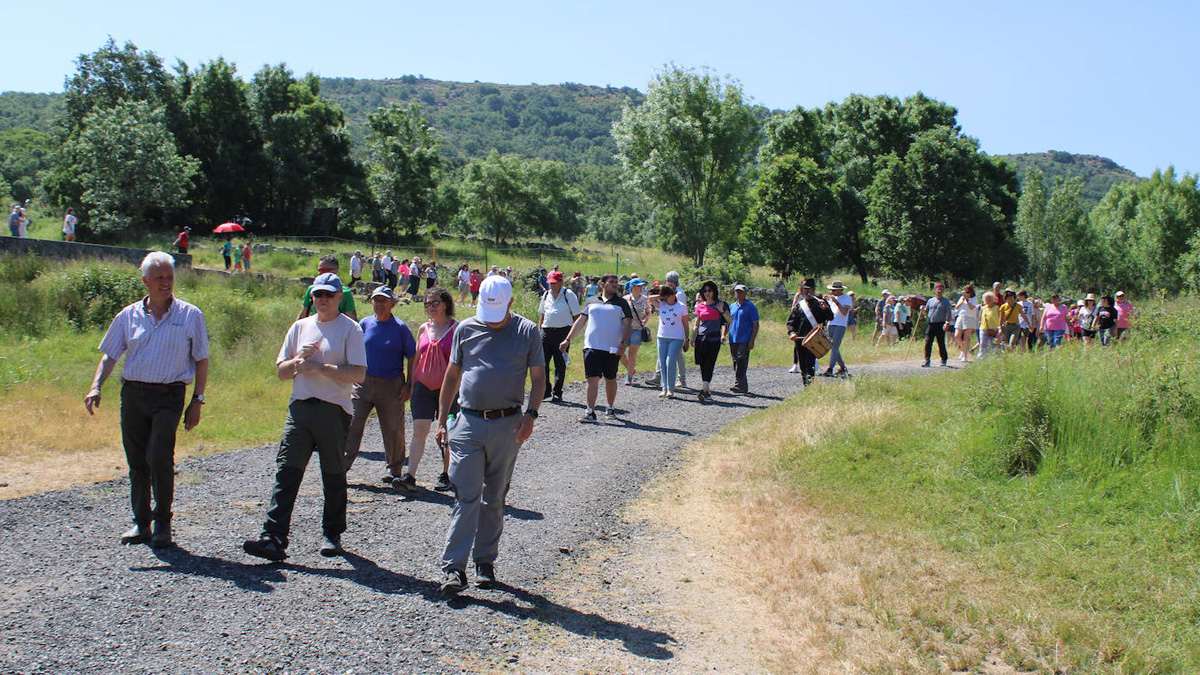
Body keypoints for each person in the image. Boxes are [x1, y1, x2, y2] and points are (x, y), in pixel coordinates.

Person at [85, 252, 209, 548]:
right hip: (134, 395)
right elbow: (110, 354)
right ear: (145, 282)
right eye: (159, 278)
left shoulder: (190, 315)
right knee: (137, 460)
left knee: (159, 457)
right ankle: (141, 523)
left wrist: (197, 401)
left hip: (169, 394)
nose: (166, 283)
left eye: (169, 277)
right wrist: (96, 386)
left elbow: (201, 360)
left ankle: (163, 523)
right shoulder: (128, 316)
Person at [243, 272, 367, 561]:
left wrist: (321, 367)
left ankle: (331, 534)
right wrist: (299, 362)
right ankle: (273, 536)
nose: (322, 299)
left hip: (334, 409)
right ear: (311, 298)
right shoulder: (299, 327)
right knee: (287, 471)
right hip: (300, 407)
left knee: (333, 473)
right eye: (317, 295)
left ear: (339, 297)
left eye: (328, 294)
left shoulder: (351, 329)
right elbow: (281, 372)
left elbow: (358, 373)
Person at [435, 275, 544, 597]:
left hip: (507, 425)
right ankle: (454, 568)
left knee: (494, 497)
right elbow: (452, 374)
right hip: (467, 423)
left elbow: (538, 378)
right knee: (466, 495)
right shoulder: (466, 329)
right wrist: (442, 420)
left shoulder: (527, 332)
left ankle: (485, 562)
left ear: (510, 302)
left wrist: (531, 414)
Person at [344, 286, 416, 487]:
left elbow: (412, 354)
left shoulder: (400, 328)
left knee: (393, 429)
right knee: (352, 423)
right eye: (376, 300)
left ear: (392, 303)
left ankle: (394, 471)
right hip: (363, 384)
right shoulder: (364, 324)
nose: (379, 304)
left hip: (391, 385)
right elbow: (353, 348)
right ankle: (341, 466)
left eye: (383, 300)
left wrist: (409, 384)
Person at [560, 273, 633, 421]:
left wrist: (624, 343)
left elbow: (627, 324)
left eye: (616, 282)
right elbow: (580, 322)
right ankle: (590, 412)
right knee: (592, 379)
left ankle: (610, 407)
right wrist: (567, 339)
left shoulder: (622, 303)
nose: (615, 284)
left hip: (612, 348)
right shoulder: (591, 300)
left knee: (610, 378)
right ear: (603, 284)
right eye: (611, 282)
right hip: (591, 346)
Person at [407, 287, 459, 493]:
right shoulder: (423, 329)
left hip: (448, 388)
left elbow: (461, 362)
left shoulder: (457, 329)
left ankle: (446, 474)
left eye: (435, 302)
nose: (431, 307)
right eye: (427, 303)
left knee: (446, 433)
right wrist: (410, 384)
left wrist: (459, 389)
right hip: (422, 386)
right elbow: (416, 359)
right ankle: (410, 475)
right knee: (419, 430)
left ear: (446, 304)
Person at [538, 270, 580, 402]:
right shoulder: (546, 295)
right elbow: (542, 315)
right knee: (542, 363)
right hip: (546, 332)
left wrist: (569, 337)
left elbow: (577, 317)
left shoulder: (569, 295)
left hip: (563, 333)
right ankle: (546, 390)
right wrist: (539, 332)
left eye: (554, 283)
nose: (551, 285)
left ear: (561, 282)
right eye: (550, 283)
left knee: (560, 364)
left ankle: (557, 392)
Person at [646, 270, 688, 389]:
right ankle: (661, 377)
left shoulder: (678, 294)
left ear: (674, 283)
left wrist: (685, 337)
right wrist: (662, 295)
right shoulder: (667, 295)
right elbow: (652, 299)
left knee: (674, 357)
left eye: (670, 283)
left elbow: (681, 311)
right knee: (671, 356)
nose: (668, 285)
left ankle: (679, 379)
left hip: (676, 330)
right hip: (667, 330)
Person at [691, 280, 732, 401]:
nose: (707, 293)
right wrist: (692, 338)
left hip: (714, 339)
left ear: (714, 291)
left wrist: (722, 311)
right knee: (702, 364)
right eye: (705, 291)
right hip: (701, 338)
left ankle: (704, 389)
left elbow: (730, 320)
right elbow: (696, 324)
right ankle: (706, 390)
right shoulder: (700, 305)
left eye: (709, 290)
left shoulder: (721, 304)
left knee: (710, 363)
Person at [786, 279, 833, 384]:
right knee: (802, 364)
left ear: (813, 290)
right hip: (801, 340)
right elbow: (790, 323)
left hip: (815, 339)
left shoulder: (820, 303)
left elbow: (830, 317)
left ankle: (810, 385)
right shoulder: (799, 306)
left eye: (809, 289)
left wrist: (826, 309)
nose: (807, 292)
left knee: (810, 363)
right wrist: (792, 332)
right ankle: (806, 385)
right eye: (804, 289)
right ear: (801, 290)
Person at [653, 285, 689, 398]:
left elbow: (685, 324)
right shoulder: (661, 305)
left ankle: (671, 389)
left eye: (673, 293)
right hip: (662, 337)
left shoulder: (681, 306)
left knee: (670, 361)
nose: (672, 296)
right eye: (669, 294)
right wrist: (662, 296)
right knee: (662, 362)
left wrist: (686, 339)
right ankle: (664, 388)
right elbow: (649, 299)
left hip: (676, 337)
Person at [298, 255, 357, 322]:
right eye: (318, 294)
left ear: (336, 271)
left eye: (330, 294)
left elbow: (352, 318)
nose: (320, 273)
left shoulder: (345, 293)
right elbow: (302, 315)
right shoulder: (312, 289)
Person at [727, 284, 759, 394]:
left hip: (745, 338)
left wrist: (752, 340)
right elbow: (728, 322)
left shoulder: (750, 306)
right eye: (737, 291)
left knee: (741, 360)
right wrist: (724, 335)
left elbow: (755, 324)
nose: (738, 294)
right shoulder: (732, 306)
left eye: (741, 292)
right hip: (733, 338)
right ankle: (743, 386)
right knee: (736, 361)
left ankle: (738, 384)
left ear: (745, 293)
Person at [623, 278, 651, 386]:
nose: (641, 288)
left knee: (632, 353)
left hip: (638, 329)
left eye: (641, 286)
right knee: (619, 352)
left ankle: (629, 377)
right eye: (638, 286)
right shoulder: (625, 299)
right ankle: (630, 368)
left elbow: (649, 312)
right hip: (625, 329)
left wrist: (645, 321)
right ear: (632, 287)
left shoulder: (645, 299)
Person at [821, 281, 853, 377]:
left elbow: (844, 312)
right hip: (831, 323)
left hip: (840, 324)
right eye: (832, 290)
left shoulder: (846, 298)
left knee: (834, 346)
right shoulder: (832, 299)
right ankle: (842, 367)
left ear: (840, 290)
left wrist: (836, 302)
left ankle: (830, 368)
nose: (832, 291)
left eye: (834, 290)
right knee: (832, 346)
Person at [920, 282, 953, 367]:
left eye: (941, 289)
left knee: (941, 342)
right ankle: (927, 360)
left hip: (940, 324)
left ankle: (944, 359)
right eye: (938, 289)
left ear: (943, 291)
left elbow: (948, 313)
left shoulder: (945, 302)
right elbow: (926, 312)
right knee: (928, 342)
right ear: (935, 290)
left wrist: (947, 322)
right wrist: (922, 310)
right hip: (931, 323)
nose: (939, 291)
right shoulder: (930, 301)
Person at [954, 285, 978, 362]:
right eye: (965, 292)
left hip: (970, 317)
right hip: (961, 316)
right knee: (957, 336)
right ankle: (963, 349)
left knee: (966, 337)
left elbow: (972, 307)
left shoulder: (974, 298)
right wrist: (962, 300)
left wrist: (967, 301)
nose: (966, 294)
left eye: (967, 292)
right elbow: (957, 307)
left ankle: (965, 355)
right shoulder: (962, 298)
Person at [978, 291, 1001, 358]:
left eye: (990, 298)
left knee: (994, 345)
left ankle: (996, 358)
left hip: (994, 328)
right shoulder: (983, 308)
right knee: (983, 344)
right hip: (983, 328)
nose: (988, 300)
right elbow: (980, 317)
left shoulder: (997, 308)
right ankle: (981, 358)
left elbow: (1000, 317)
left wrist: (999, 328)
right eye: (986, 298)